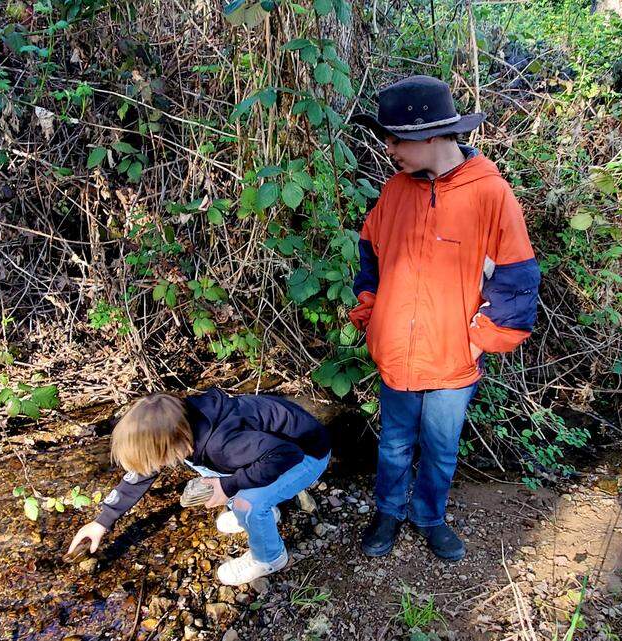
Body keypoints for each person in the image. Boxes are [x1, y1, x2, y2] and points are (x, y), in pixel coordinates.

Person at [347, 75, 540, 561]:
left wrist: (482, 338)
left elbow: (517, 277)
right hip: (395, 353)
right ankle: (388, 511)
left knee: (440, 446)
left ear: (431, 136)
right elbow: (369, 254)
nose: (388, 149)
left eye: (395, 139)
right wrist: (372, 316)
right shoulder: (395, 191)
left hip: (453, 357)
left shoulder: (490, 194)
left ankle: (429, 516)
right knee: (392, 444)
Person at [67, 389, 330, 585]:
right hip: (270, 447)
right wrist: (103, 521)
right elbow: (143, 472)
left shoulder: (223, 446)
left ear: (171, 445)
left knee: (246, 503)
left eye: (155, 460)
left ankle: (270, 557)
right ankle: (263, 513)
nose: (152, 468)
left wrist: (229, 485)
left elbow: (286, 455)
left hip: (306, 455)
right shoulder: (181, 420)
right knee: (212, 473)